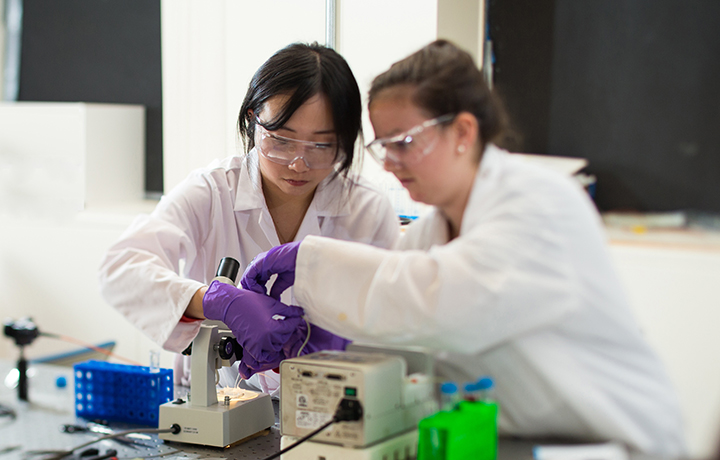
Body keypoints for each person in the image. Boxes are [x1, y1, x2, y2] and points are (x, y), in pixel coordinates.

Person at [241, 40, 686, 455]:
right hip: (518, 439)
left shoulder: (539, 203)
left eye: (403, 143)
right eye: (382, 147)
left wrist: (309, 260)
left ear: (463, 132)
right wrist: (316, 344)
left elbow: (440, 300)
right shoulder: (430, 231)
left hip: (616, 441)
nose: (390, 163)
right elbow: (402, 333)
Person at [98, 42, 400, 394]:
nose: (298, 164)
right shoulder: (212, 191)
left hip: (328, 402)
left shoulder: (367, 209)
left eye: (321, 146)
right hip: (218, 397)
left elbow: (398, 321)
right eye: (282, 140)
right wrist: (213, 301)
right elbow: (120, 269)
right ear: (252, 120)